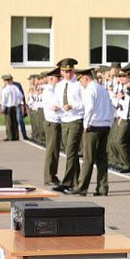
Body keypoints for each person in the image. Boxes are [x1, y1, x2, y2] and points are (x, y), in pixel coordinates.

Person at [75, 67, 113, 196]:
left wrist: (86, 124)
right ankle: (102, 188)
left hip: (93, 126)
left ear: (85, 78)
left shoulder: (89, 89)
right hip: (104, 125)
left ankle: (82, 187)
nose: (81, 83)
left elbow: (89, 108)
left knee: (88, 158)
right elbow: (111, 106)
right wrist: (109, 122)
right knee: (102, 159)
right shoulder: (102, 89)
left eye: (81, 80)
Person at [54, 58, 84, 192]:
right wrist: (56, 107)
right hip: (64, 120)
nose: (68, 74)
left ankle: (66, 182)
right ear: (61, 72)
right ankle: (76, 182)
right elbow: (57, 101)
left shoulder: (78, 85)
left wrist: (72, 106)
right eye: (65, 71)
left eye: (70, 71)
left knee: (71, 151)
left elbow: (84, 103)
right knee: (70, 153)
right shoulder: (59, 86)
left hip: (76, 119)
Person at [0, 75, 22, 141]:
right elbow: (20, 96)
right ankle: (15, 136)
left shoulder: (5, 89)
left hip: (8, 107)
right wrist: (17, 103)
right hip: (14, 106)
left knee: (8, 122)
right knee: (14, 122)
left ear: (5, 81)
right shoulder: (15, 88)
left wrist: (2, 108)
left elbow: (4, 100)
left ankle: (10, 136)